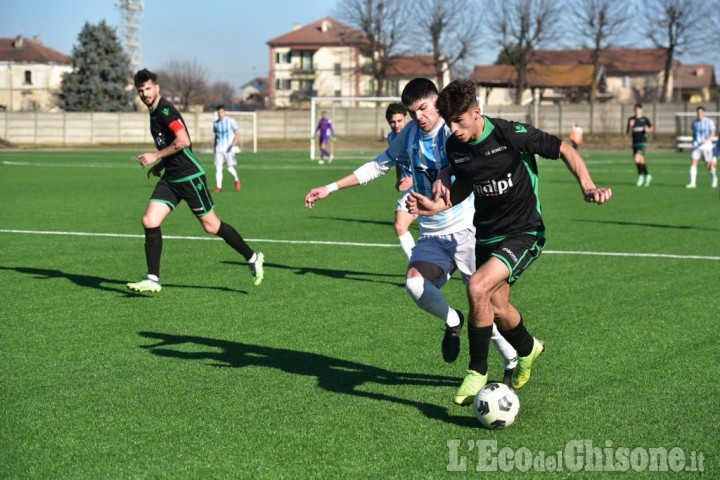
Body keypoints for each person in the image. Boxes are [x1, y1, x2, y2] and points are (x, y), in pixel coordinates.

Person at [407, 79, 612, 405]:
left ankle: (477, 370)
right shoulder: (455, 147)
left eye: (459, 120)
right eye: (449, 122)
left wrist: (588, 187)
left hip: (524, 231)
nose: (454, 128)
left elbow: (565, 150)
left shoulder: (510, 134)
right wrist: (436, 206)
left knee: (476, 287)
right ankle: (529, 350)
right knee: (498, 307)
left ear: (477, 112)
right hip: (486, 234)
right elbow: (463, 188)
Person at [305, 78, 518, 382]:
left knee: (485, 305)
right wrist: (330, 187)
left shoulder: (454, 131)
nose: (419, 116)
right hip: (431, 233)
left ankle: (510, 358)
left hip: (468, 231)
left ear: (437, 102)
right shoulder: (408, 135)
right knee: (415, 285)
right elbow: (378, 165)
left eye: (424, 108)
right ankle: (452, 319)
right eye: (413, 111)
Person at [126, 68, 264, 293]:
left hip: (190, 176)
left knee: (211, 225)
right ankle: (152, 278)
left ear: (157, 87)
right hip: (172, 178)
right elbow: (171, 145)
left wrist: (156, 156)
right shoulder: (154, 113)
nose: (145, 93)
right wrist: (161, 165)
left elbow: (183, 141)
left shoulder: (166, 110)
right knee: (150, 220)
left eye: (148, 88)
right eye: (141, 90)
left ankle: (253, 256)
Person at [385, 102, 416, 259]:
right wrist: (399, 178)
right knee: (400, 224)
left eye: (399, 121)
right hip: (414, 188)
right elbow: (397, 160)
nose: (396, 125)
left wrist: (413, 178)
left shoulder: (416, 134)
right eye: (392, 122)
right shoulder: (391, 138)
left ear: (406, 118)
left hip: (429, 185)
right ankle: (416, 265)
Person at [212, 105, 242, 193]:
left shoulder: (230, 121)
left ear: (225, 112)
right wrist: (214, 147)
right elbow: (216, 136)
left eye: (221, 112)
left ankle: (237, 180)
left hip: (228, 148)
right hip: (219, 149)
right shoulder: (216, 123)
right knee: (218, 168)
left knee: (229, 168)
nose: (220, 114)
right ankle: (218, 187)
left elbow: (237, 133)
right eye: (218, 113)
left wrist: (234, 143)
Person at [687, 106, 718, 189]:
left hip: (707, 146)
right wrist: (693, 142)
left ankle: (714, 177)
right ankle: (692, 183)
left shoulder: (709, 122)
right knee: (693, 163)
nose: (699, 114)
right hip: (697, 146)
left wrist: (706, 140)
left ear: (704, 113)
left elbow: (713, 133)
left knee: (708, 165)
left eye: (701, 112)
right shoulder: (694, 122)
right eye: (698, 112)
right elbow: (694, 133)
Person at [626, 104, 653, 187]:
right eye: (636, 109)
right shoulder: (631, 119)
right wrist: (630, 126)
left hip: (642, 142)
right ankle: (647, 175)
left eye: (639, 109)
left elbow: (651, 128)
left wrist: (647, 130)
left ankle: (641, 176)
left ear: (642, 110)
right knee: (640, 161)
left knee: (636, 159)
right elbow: (628, 132)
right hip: (635, 143)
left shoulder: (645, 119)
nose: (637, 110)